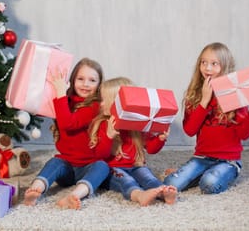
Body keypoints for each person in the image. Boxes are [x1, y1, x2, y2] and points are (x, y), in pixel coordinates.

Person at [163, 42, 249, 194]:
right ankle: (195, 173)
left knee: (209, 185)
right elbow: (189, 130)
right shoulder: (195, 94)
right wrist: (204, 101)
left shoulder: (235, 93)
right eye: (204, 62)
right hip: (201, 157)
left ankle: (212, 174)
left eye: (214, 64)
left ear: (224, 67)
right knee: (170, 183)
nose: (207, 68)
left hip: (228, 160)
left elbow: (244, 134)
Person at [23, 57, 110, 209]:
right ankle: (36, 189)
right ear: (72, 80)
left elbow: (68, 123)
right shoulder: (66, 100)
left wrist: (60, 94)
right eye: (80, 78)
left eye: (92, 80)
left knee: (102, 166)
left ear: (99, 85)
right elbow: (42, 108)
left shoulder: (95, 106)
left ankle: (75, 195)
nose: (85, 84)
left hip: (88, 167)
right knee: (54, 162)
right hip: (66, 167)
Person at [88, 77, 178, 206]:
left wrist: (160, 139)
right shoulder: (103, 124)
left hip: (136, 165)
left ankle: (164, 192)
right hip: (113, 169)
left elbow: (151, 149)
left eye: (103, 100)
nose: (100, 104)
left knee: (148, 177)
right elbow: (100, 156)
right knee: (126, 181)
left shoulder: (137, 124)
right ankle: (139, 195)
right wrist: (108, 136)